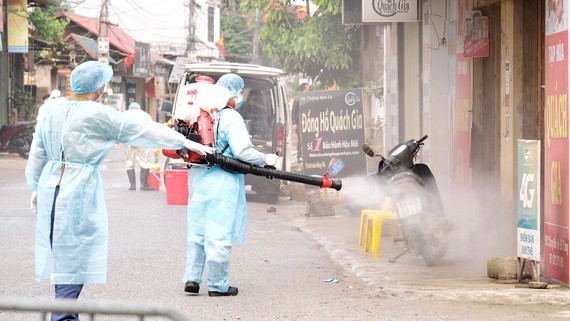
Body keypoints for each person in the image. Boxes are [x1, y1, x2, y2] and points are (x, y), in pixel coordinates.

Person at [25, 61, 214, 321]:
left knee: (62, 254)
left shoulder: (50, 109)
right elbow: (143, 131)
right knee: (74, 255)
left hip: (50, 187)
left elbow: (37, 152)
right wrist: (184, 142)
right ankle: (63, 316)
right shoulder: (98, 114)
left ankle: (65, 313)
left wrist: (35, 185)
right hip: (76, 190)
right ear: (100, 86)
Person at [183, 73, 278, 297]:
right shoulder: (230, 117)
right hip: (221, 181)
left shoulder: (199, 114)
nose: (241, 96)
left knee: (198, 232)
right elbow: (242, 151)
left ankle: (192, 278)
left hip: (198, 179)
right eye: (241, 91)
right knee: (218, 233)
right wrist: (266, 159)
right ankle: (217, 285)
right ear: (234, 93)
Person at [123, 101, 154, 191]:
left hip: (129, 140)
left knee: (129, 162)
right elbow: (150, 128)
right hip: (142, 140)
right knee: (144, 161)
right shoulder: (145, 115)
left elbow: (120, 127)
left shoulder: (124, 114)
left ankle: (132, 185)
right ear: (138, 108)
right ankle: (144, 184)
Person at [291, 82, 310, 162]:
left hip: (308, 123)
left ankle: (306, 155)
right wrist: (294, 123)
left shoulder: (309, 98)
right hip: (299, 123)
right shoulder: (297, 99)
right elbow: (293, 111)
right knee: (301, 140)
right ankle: (299, 156)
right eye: (307, 88)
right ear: (304, 89)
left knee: (307, 139)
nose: (308, 90)